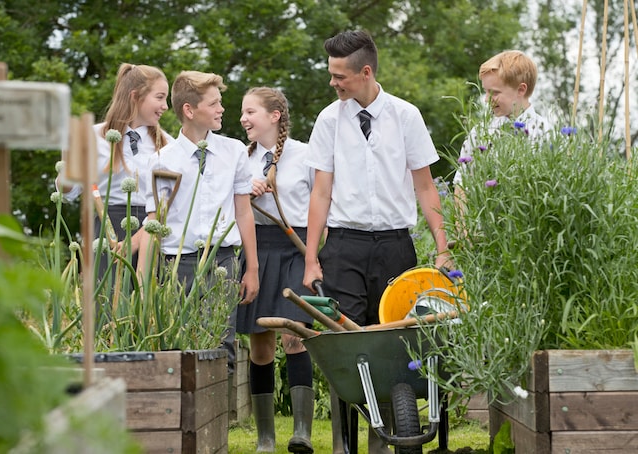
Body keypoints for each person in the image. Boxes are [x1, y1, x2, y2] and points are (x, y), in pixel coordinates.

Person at [301, 30, 452, 454]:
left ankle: (391, 438)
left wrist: (442, 247)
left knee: (396, 343)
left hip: (395, 248)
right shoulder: (329, 121)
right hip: (344, 247)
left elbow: (426, 188)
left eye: (339, 76)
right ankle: (345, 443)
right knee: (347, 345)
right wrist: (312, 259)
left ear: (365, 72)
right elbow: (321, 193)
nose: (333, 83)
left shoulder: (406, 116)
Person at [140, 70, 260, 372]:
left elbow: (244, 211)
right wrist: (144, 282)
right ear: (189, 110)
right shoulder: (161, 160)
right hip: (179, 263)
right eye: (214, 103)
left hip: (223, 261)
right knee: (181, 340)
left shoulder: (234, 151)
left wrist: (252, 268)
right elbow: (154, 223)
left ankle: (222, 417)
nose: (222, 109)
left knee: (222, 339)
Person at [236, 87, 315, 453]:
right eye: (242, 112)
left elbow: (322, 206)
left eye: (250, 111)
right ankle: (266, 437)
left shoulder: (306, 155)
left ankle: (302, 433)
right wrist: (243, 192)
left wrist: (315, 254)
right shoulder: (241, 157)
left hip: (297, 248)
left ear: (274, 116)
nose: (243, 118)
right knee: (261, 345)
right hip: (257, 248)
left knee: (295, 336)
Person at [56, 63, 173, 287]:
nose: (165, 106)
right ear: (135, 96)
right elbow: (67, 193)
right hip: (106, 229)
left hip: (153, 229)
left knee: (146, 308)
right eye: (159, 97)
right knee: (106, 304)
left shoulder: (169, 145)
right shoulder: (91, 136)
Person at [453, 50, 552, 188]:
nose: (487, 99)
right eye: (486, 91)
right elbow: (462, 181)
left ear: (521, 90)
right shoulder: (480, 132)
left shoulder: (545, 133)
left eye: (494, 92)